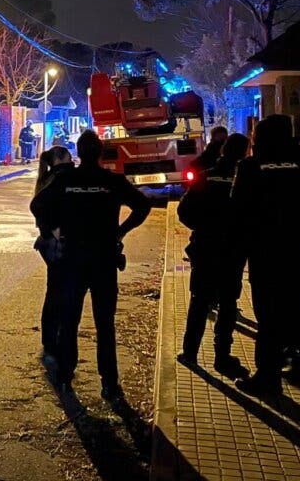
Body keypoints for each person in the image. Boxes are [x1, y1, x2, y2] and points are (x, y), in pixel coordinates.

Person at [30, 130, 152, 401]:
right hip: (104, 260)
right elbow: (143, 206)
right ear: (100, 153)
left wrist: (55, 230)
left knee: (70, 319)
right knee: (105, 324)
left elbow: (37, 205)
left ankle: (65, 376)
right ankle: (109, 383)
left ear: (78, 152)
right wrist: (120, 232)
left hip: (72, 260)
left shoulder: (65, 180)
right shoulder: (112, 181)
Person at [232, 114, 300, 397]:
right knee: (297, 302)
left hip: (263, 251)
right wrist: (297, 232)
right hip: (291, 249)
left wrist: (246, 241)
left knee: (268, 313)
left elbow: (238, 210)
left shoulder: (251, 167)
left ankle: (268, 376)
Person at [176, 133, 250, 379]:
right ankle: (222, 357)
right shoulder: (244, 180)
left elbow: (184, 211)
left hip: (205, 248)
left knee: (199, 300)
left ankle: (190, 352)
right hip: (232, 251)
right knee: (228, 304)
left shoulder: (206, 176)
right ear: (243, 154)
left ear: (222, 152)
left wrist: (203, 227)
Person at [33, 145, 74, 363]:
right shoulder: (61, 177)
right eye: (69, 157)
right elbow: (37, 206)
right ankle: (56, 342)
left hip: (48, 245)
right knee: (62, 293)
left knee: (53, 292)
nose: (72, 160)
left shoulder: (46, 177)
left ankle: (49, 341)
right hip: (58, 246)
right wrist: (55, 230)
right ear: (62, 159)